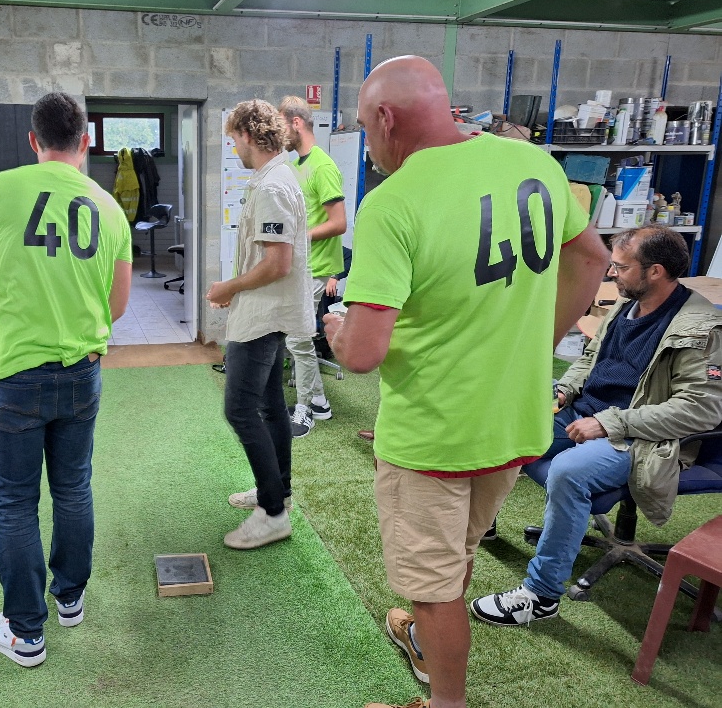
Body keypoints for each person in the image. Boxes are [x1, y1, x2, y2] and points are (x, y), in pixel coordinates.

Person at [323, 56, 608, 708]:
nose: (368, 145)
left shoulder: (393, 202)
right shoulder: (533, 162)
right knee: (456, 553)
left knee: (433, 590)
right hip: (514, 421)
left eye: (365, 129)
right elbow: (591, 258)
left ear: (387, 119)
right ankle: (428, 640)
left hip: (434, 434)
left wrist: (337, 330)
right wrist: (535, 346)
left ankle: (443, 699)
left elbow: (362, 354)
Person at [0, 92, 132, 668]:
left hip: (12, 375)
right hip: (81, 372)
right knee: (74, 488)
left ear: (33, 140)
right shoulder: (109, 208)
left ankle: (26, 633)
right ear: (85, 142)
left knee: (15, 502)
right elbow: (117, 305)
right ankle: (70, 599)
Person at [471, 226, 722, 628]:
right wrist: (565, 390)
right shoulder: (627, 303)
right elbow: (591, 358)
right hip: (587, 411)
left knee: (568, 472)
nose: (611, 274)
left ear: (655, 271)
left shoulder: (700, 328)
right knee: (507, 414)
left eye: (621, 267)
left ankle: (541, 596)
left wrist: (609, 423)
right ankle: (481, 521)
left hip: (642, 437)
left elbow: (701, 411)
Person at [209, 99, 315, 550]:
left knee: (240, 410)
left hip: (262, 318)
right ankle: (278, 491)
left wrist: (228, 287)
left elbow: (277, 263)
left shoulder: (273, 185)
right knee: (271, 407)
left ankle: (272, 514)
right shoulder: (275, 179)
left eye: (234, 138)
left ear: (249, 135)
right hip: (267, 314)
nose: (233, 147)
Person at [279, 95, 347, 438]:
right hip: (302, 265)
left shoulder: (322, 166)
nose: (279, 135)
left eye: (281, 126)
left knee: (298, 338)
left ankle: (306, 409)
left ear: (296, 123)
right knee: (296, 338)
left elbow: (339, 223)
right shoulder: (297, 165)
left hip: (318, 267)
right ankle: (318, 401)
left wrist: (300, 236)